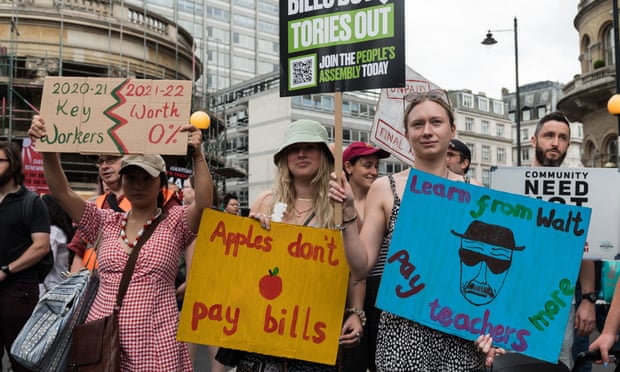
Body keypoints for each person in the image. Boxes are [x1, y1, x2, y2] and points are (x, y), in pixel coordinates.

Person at [328, 90, 500, 371]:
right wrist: (347, 213)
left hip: (459, 335)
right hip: (402, 335)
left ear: (452, 130)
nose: (427, 131)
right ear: (407, 134)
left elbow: (488, 269)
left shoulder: (475, 192)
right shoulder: (385, 188)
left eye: (436, 122)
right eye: (418, 124)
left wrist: (493, 330)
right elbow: (361, 267)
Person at [29, 115, 213, 371]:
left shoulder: (175, 222)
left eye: (146, 178)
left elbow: (204, 204)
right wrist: (48, 150)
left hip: (157, 344)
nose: (138, 185)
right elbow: (62, 193)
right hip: (104, 341)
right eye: (131, 177)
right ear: (122, 181)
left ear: (161, 182)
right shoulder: (103, 221)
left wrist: (197, 155)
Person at [238, 119, 364, 371]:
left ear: (324, 157)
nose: (301, 154)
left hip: (316, 331)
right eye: (294, 148)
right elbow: (245, 268)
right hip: (265, 330)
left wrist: (356, 313)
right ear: (284, 157)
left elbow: (355, 271)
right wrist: (251, 235)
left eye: (310, 147)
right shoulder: (265, 201)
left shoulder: (340, 208)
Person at [530, 112, 596, 370]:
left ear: (569, 144)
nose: (556, 143)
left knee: (557, 365)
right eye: (549, 136)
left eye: (563, 138)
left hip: (559, 304)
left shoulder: (577, 190)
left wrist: (588, 300)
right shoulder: (509, 184)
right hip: (512, 301)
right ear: (533, 140)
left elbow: (585, 246)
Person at [0, 141, 51, 372]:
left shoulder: (30, 202)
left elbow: (41, 246)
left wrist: (6, 270)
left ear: (13, 165)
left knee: (22, 361)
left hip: (18, 292)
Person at [339, 141, 389, 372]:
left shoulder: (383, 201)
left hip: (380, 292)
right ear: (349, 167)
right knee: (351, 359)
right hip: (343, 292)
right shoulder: (336, 204)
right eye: (367, 165)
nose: (374, 171)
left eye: (376, 166)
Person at [40, 193, 75, 296]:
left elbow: (46, 261)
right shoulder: (62, 231)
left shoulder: (53, 232)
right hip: (59, 284)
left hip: (50, 288)